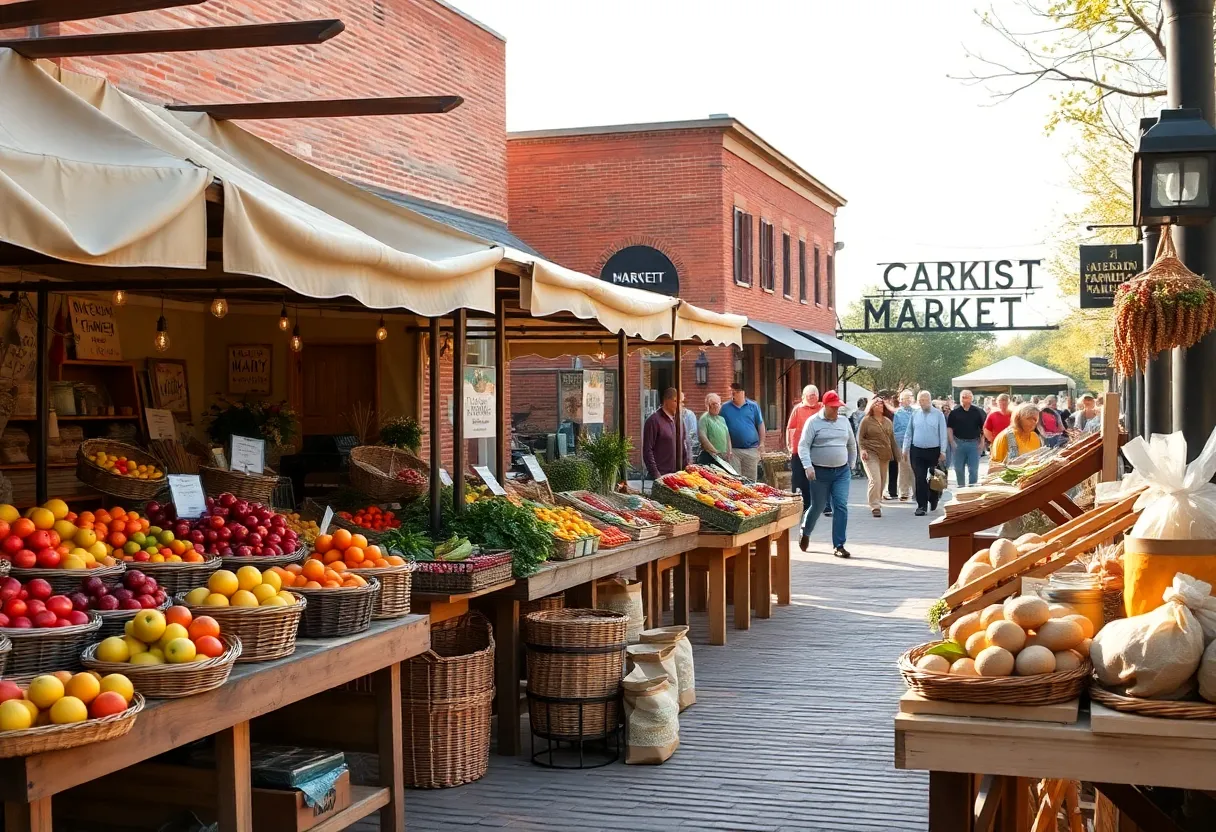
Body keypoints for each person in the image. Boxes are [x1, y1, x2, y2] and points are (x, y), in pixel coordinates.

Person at [797, 391, 856, 558]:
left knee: (841, 506)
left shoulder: (844, 421)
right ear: (825, 406)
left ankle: (839, 545)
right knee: (818, 506)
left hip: (841, 472)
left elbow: (852, 445)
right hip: (819, 472)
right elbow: (803, 446)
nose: (837, 411)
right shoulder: (813, 422)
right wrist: (808, 466)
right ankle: (806, 531)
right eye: (834, 408)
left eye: (839, 408)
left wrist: (850, 464)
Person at [903, 390, 948, 516]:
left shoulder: (938, 415)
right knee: (920, 477)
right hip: (917, 450)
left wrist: (943, 451)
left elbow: (943, 434)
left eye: (925, 400)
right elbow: (909, 432)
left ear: (930, 400)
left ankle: (933, 497)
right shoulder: (915, 414)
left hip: (934, 450)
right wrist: (905, 449)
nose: (923, 403)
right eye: (920, 400)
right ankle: (921, 506)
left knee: (934, 477)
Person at [857, 397, 898, 517]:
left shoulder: (887, 421)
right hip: (870, 453)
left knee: (882, 480)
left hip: (884, 454)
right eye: (876, 404)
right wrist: (862, 450)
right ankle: (874, 505)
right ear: (871, 406)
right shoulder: (866, 421)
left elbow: (892, 440)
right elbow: (860, 437)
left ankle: (877, 499)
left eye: (881, 404)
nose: (879, 406)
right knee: (875, 479)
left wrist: (898, 455)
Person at [785, 385, 822, 512]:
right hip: (800, 450)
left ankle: (819, 504)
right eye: (810, 395)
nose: (813, 398)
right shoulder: (798, 409)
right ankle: (801, 505)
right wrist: (791, 447)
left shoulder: (821, 408)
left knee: (818, 478)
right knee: (799, 478)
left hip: (817, 449)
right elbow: (790, 429)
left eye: (815, 395)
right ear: (804, 396)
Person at [721, 382, 765, 481]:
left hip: (751, 449)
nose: (733, 394)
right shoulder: (725, 408)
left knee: (750, 481)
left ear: (743, 393)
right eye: (732, 392)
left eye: (736, 392)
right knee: (735, 480)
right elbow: (720, 426)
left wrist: (762, 443)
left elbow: (760, 424)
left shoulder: (753, 406)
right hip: (733, 451)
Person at [642, 387, 688, 480]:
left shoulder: (679, 421)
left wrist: (686, 469)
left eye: (682, 402)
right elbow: (648, 450)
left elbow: (684, 445)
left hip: (678, 475)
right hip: (661, 475)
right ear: (667, 401)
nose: (681, 405)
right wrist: (656, 475)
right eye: (677, 401)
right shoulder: (654, 421)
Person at [947, 389, 985, 487]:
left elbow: (983, 429)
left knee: (973, 469)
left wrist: (982, 443)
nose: (964, 399)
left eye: (966, 397)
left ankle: (972, 489)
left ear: (971, 398)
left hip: (973, 444)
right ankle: (961, 488)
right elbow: (949, 428)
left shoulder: (978, 412)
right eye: (962, 397)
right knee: (958, 468)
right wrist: (952, 442)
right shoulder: (954, 413)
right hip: (958, 443)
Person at [891, 390, 917, 501]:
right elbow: (895, 431)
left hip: (915, 445)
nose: (904, 401)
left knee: (914, 470)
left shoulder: (916, 412)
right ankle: (904, 492)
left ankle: (916, 492)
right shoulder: (898, 413)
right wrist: (898, 446)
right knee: (903, 469)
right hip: (902, 445)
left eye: (907, 398)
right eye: (903, 399)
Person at [697, 393, 732, 465]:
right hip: (710, 457)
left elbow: (727, 436)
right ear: (707, 405)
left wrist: (729, 451)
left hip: (722, 457)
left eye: (718, 404)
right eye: (713, 404)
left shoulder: (721, 419)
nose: (716, 406)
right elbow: (703, 437)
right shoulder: (704, 418)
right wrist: (715, 452)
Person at [850, 398, 868, 477]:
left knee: (857, 451)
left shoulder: (854, 414)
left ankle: (857, 468)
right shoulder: (866, 414)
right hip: (863, 435)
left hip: (856, 434)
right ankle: (861, 469)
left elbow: (854, 425)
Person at [680, 392, 698, 460]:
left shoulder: (689, 415)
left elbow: (693, 433)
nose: (683, 404)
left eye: (683, 401)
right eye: (681, 401)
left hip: (687, 450)